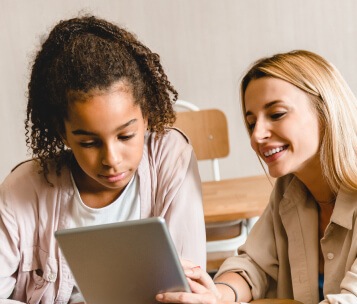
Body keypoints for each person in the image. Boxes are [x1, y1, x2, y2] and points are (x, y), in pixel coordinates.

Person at [0, 15, 206, 303]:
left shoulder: (171, 158)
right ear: (63, 133)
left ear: (146, 117)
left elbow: (189, 287)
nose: (111, 159)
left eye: (125, 136)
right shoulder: (23, 189)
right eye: (88, 142)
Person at [156, 50, 357, 304]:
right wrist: (217, 296)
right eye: (251, 123)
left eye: (276, 114)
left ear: (326, 110)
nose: (256, 136)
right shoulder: (289, 189)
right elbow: (253, 265)